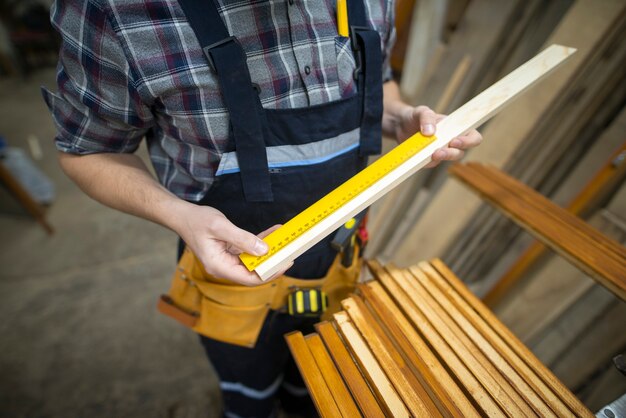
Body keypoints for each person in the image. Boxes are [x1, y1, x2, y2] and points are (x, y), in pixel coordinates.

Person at [43, 0, 482, 416]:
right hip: (233, 288)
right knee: (250, 399)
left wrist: (400, 117)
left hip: (341, 262)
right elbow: (87, 152)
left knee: (323, 386)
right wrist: (180, 216)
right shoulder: (116, 12)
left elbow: (379, 82)